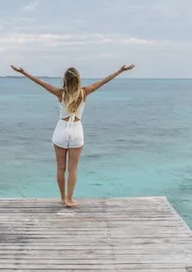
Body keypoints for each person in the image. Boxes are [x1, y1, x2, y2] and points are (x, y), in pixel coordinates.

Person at [10, 64, 135, 207]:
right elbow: (102, 82)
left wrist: (23, 72)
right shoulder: (84, 93)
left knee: (60, 168)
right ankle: (70, 199)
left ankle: (63, 198)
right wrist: (120, 71)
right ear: (78, 80)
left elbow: (41, 83)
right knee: (73, 168)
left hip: (61, 130)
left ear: (65, 80)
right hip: (76, 130)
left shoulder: (60, 93)